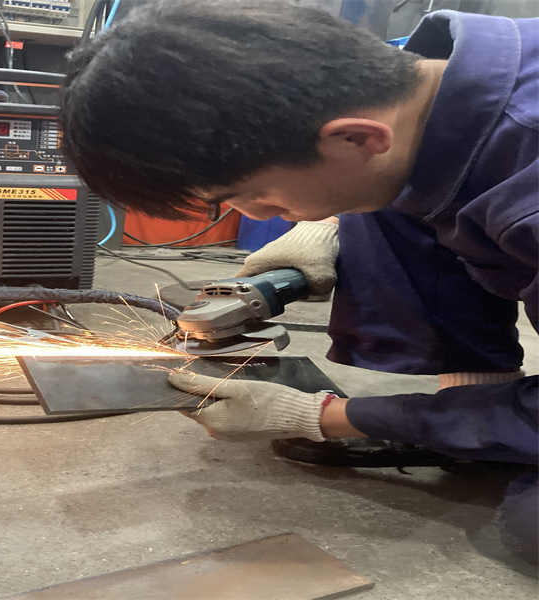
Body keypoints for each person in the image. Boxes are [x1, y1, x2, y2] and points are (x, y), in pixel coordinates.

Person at [59, 0, 537, 561]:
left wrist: (325, 417)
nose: (257, 215)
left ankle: (487, 425)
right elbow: (411, 159)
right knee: (383, 191)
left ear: (355, 138)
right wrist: (330, 225)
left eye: (249, 196)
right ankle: (474, 417)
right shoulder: (424, 81)